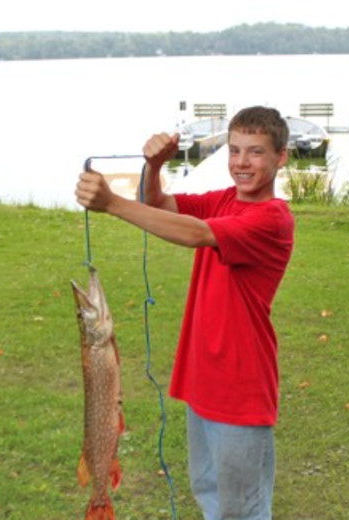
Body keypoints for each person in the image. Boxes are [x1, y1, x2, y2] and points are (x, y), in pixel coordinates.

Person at [75, 105, 294, 519]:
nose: (241, 163)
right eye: (234, 150)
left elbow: (197, 234)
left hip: (240, 388)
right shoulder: (225, 200)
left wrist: (112, 204)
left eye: (256, 152)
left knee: (242, 512)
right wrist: (153, 167)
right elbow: (158, 202)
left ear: (281, 157)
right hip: (202, 381)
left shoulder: (272, 219)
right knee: (210, 497)